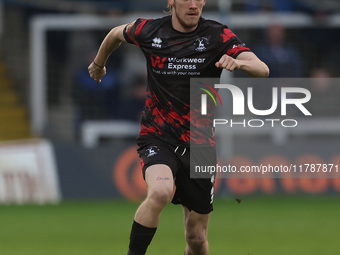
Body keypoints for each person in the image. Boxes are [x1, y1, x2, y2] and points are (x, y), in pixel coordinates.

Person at [88, 0, 269, 254]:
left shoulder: (217, 35)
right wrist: (99, 63)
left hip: (200, 145)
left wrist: (239, 63)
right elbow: (115, 34)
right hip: (158, 137)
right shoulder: (149, 31)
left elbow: (262, 69)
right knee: (161, 191)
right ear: (172, 1)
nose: (194, 5)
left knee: (196, 237)